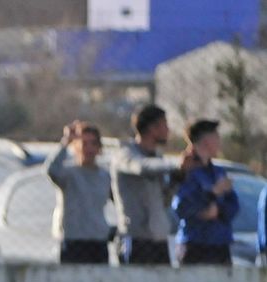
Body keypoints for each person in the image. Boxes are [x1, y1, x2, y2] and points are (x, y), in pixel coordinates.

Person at [112, 104, 178, 266]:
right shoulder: (126, 154)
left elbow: (164, 201)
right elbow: (141, 167)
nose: (168, 130)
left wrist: (178, 178)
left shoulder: (158, 159)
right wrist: (175, 166)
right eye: (165, 125)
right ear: (152, 128)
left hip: (158, 239)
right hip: (135, 239)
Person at [172, 119, 238, 267]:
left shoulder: (218, 172)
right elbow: (181, 207)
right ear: (207, 140)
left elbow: (233, 204)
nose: (219, 142)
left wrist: (219, 211)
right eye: (216, 137)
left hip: (219, 243)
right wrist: (211, 196)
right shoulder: (188, 171)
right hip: (195, 244)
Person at [44, 120, 111, 265]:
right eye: (84, 143)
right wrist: (65, 141)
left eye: (93, 143)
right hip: (73, 240)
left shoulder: (105, 176)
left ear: (99, 147)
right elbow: (51, 170)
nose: (89, 148)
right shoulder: (68, 174)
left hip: (98, 241)